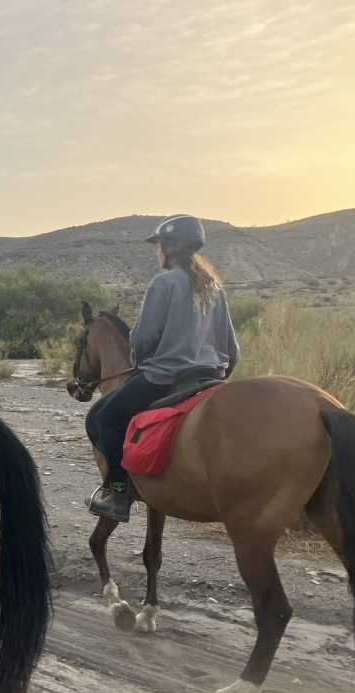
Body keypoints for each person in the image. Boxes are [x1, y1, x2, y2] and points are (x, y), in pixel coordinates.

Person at [86, 214, 239, 522]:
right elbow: (232, 349)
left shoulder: (164, 282)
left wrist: (143, 362)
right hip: (210, 378)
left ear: (169, 247)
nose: (156, 251)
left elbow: (142, 339)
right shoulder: (214, 287)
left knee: (102, 418)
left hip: (166, 378)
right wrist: (219, 375)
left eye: (158, 245)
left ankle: (118, 495)